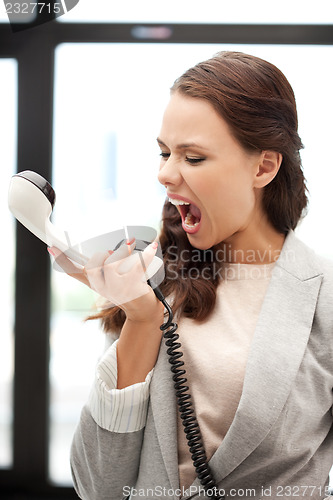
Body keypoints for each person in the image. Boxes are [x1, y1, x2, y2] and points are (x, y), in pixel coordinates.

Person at [50, 51, 333, 499]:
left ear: (263, 167)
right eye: (164, 153)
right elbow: (99, 486)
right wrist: (141, 320)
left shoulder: (324, 296)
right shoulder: (152, 281)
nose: (164, 173)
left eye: (193, 157)